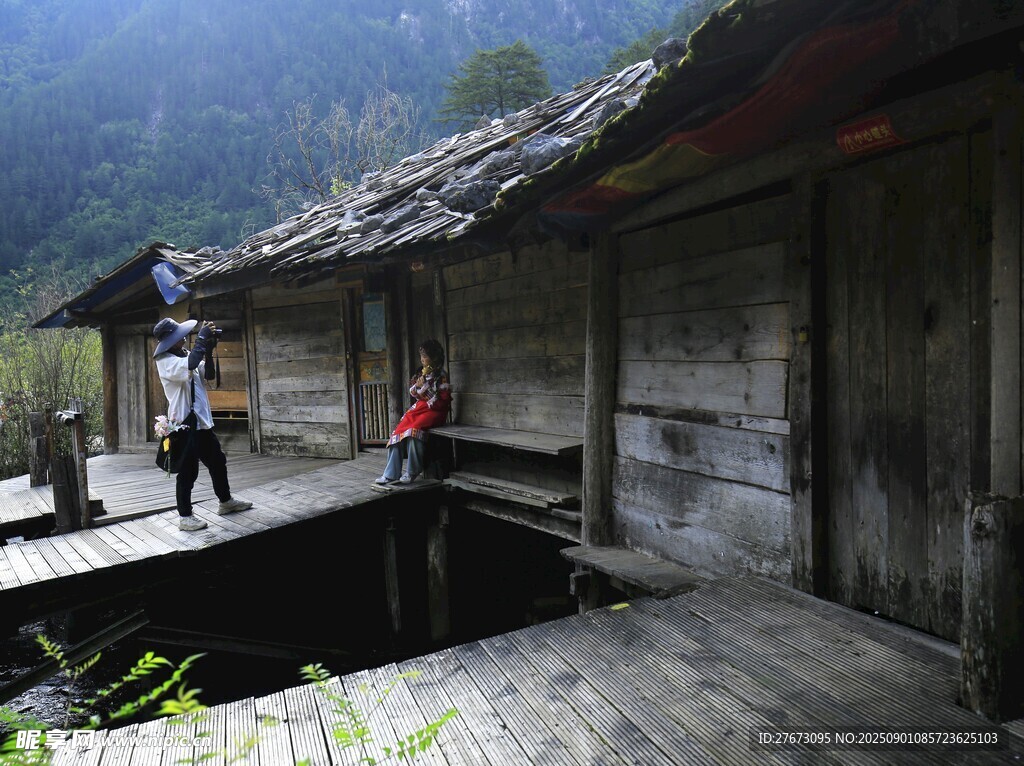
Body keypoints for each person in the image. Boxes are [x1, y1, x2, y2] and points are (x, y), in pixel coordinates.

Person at [153, 318, 252, 531]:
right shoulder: (165, 361)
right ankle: (185, 517)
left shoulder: (187, 354)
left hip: (201, 423)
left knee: (217, 462)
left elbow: (209, 374)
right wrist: (201, 339)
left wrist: (208, 350)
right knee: (188, 472)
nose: (182, 338)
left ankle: (226, 502)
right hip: (184, 425)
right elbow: (189, 366)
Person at [375, 339, 451, 485]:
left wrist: (426, 389)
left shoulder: (441, 376)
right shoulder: (419, 372)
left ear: (434, 357)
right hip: (420, 408)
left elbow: (443, 401)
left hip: (435, 411)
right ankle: (390, 474)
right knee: (399, 430)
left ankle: (412, 471)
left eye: (425, 356)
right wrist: (418, 386)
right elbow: (414, 393)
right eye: (421, 356)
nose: (422, 360)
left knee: (414, 431)